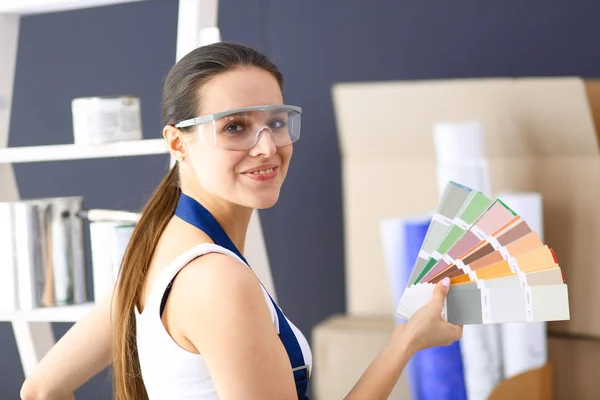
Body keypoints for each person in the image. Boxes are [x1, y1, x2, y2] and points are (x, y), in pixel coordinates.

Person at [20, 42, 462, 400]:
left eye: (276, 121)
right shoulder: (216, 280)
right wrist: (405, 343)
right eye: (234, 127)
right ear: (178, 142)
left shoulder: (155, 246)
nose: (267, 147)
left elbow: (43, 388)